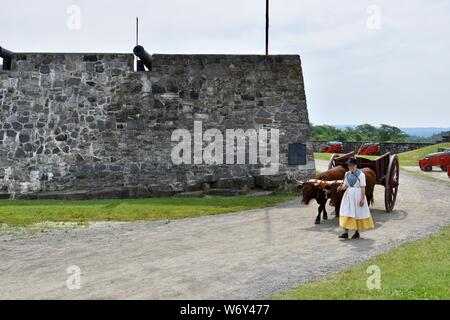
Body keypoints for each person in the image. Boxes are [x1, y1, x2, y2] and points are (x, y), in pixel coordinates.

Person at [337, 157, 374, 239]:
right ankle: (345, 233)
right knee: (346, 212)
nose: (349, 167)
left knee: (356, 213)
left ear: (355, 165)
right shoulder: (347, 174)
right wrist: (341, 188)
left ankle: (356, 232)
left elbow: (363, 187)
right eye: (348, 165)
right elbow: (346, 186)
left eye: (351, 165)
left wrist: (362, 199)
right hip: (348, 195)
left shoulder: (361, 174)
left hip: (357, 195)